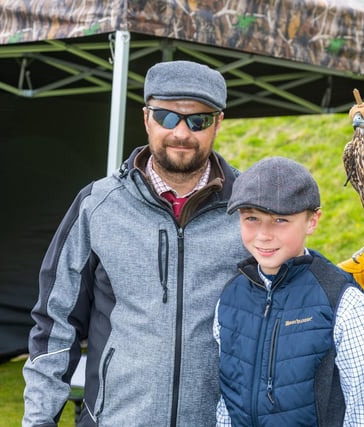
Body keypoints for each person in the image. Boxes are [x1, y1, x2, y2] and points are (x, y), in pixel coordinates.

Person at [22, 60, 250, 426]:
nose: (181, 132)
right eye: (166, 116)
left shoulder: (249, 208)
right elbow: (55, 325)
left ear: (218, 123)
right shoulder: (98, 205)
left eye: (198, 120)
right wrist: (39, 420)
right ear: (146, 118)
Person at [214, 156, 364, 426]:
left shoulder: (344, 302)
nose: (264, 234)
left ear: (312, 221)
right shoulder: (229, 298)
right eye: (251, 218)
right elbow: (226, 405)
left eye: (280, 220)